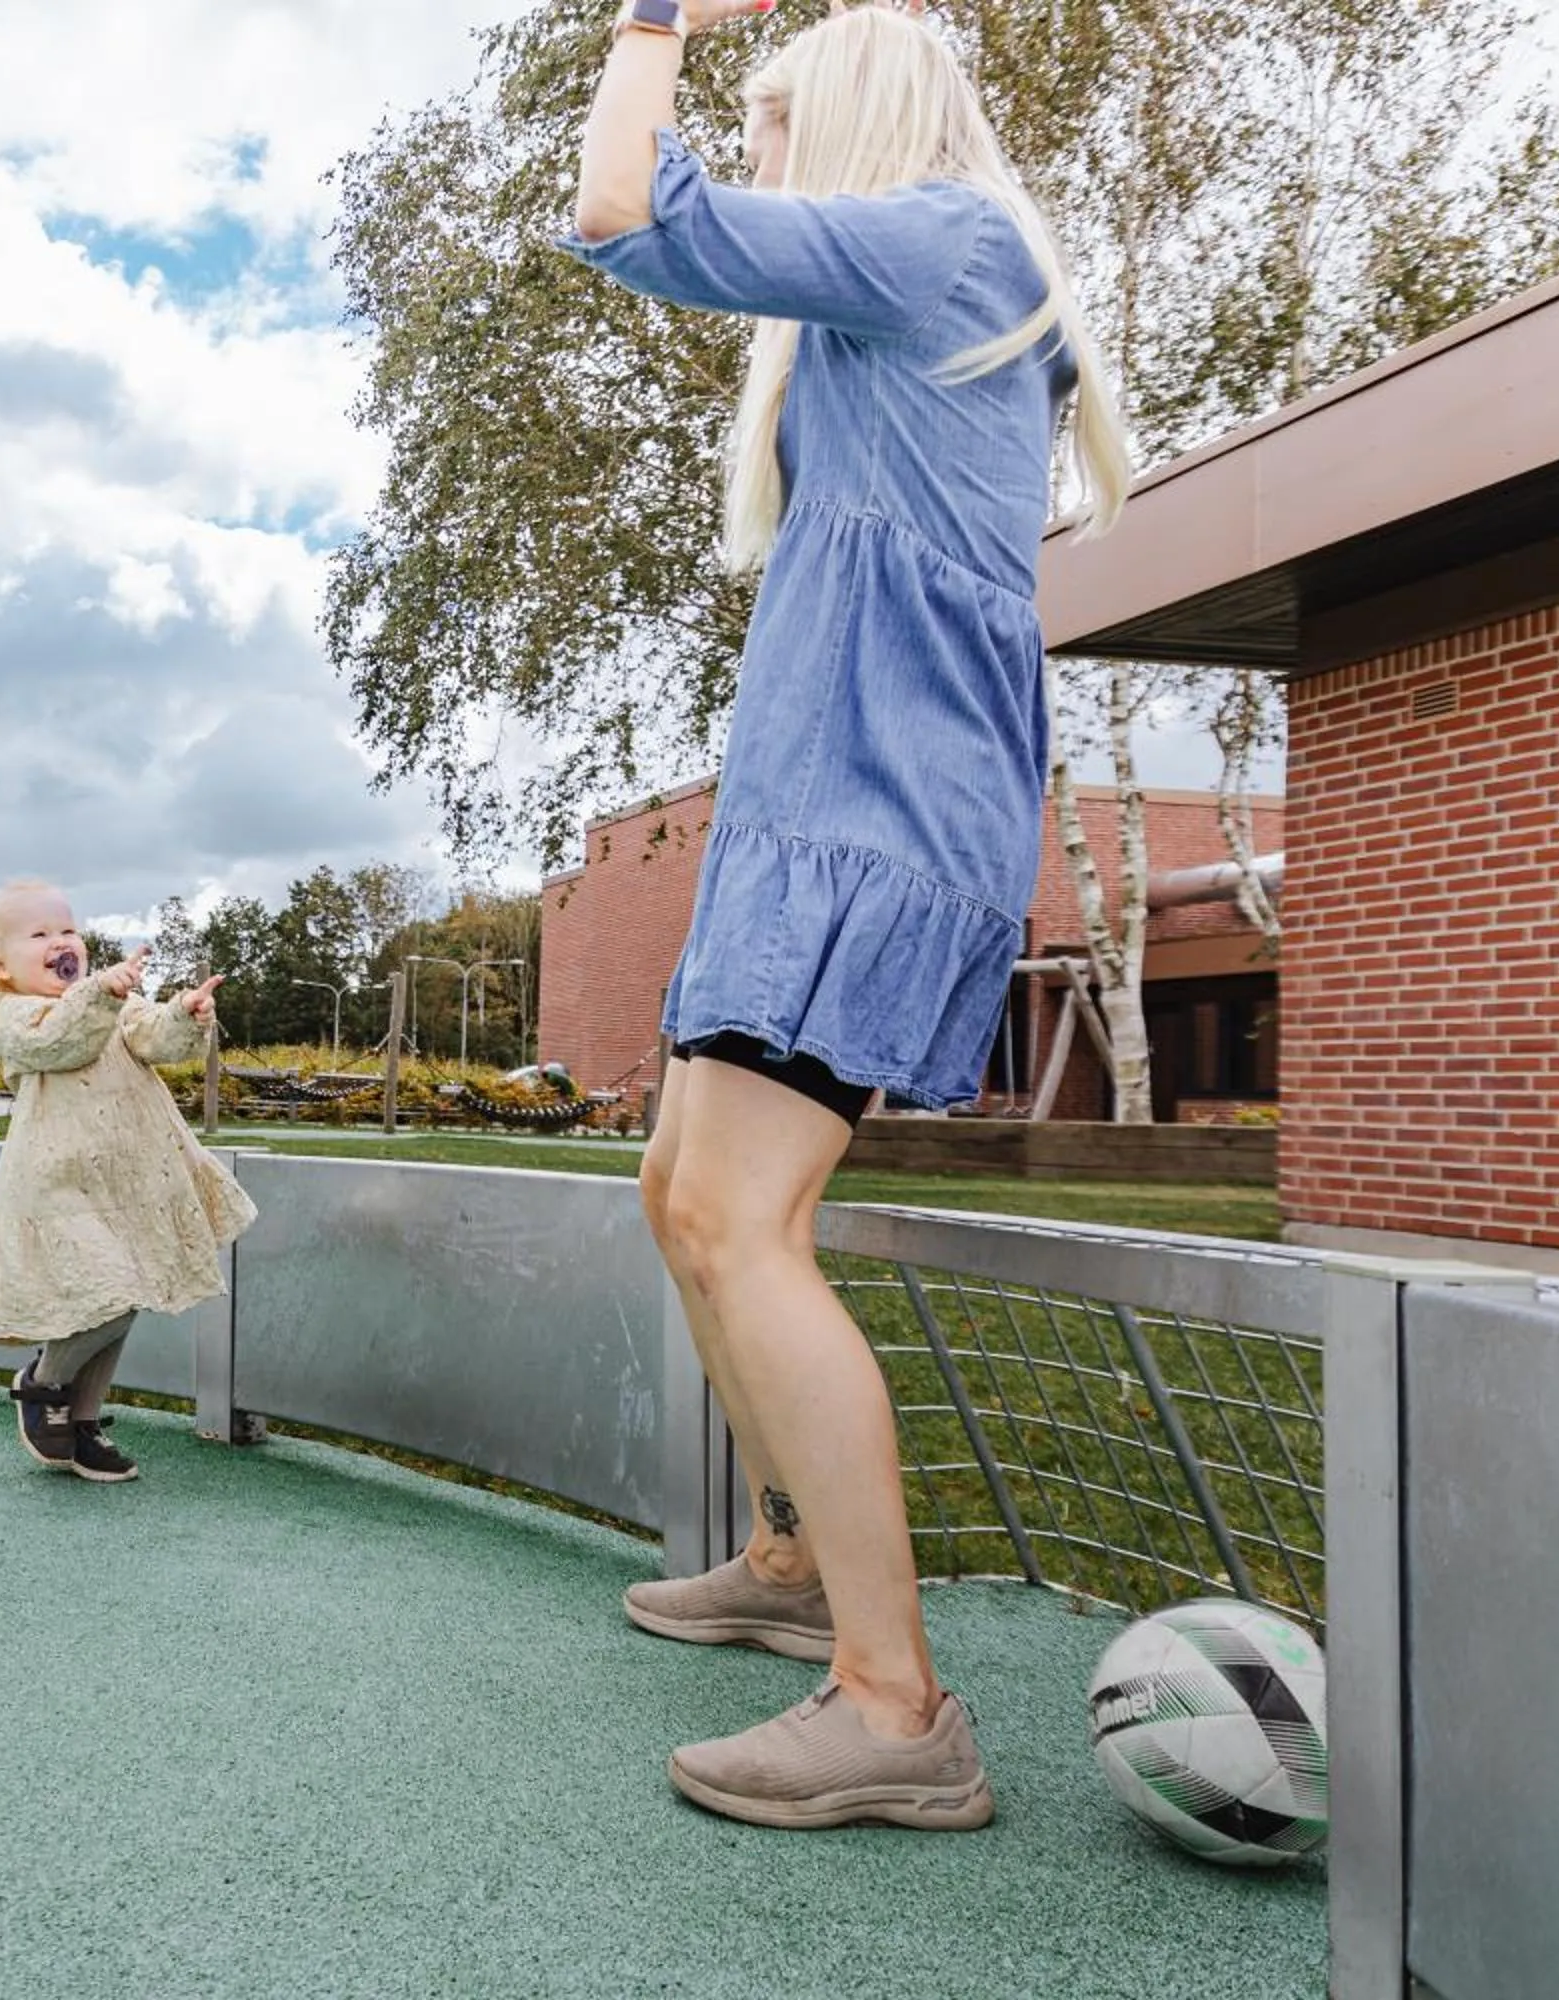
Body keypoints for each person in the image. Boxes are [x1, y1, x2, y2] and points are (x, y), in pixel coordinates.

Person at [563, 0, 1130, 1829]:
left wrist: (648, 14)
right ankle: (796, 1557)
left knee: (741, 1218)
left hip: (877, 824)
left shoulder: (948, 239)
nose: (767, 146)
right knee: (684, 1198)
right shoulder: (897, 290)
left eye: (782, 114)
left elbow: (621, 204)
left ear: (868, 109)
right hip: (818, 810)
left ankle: (896, 1710)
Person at [0, 881, 255, 1482]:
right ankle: (41, 1385)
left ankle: (81, 1422)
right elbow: (62, 1041)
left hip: (125, 1182)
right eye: (40, 934)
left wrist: (184, 1015)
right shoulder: (18, 1017)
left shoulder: (112, 1007)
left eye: (67, 930)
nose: (61, 941)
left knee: (125, 1297)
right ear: (2, 968)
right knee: (107, 1300)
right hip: (60, 1187)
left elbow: (155, 1038)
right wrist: (100, 993)